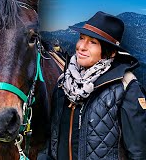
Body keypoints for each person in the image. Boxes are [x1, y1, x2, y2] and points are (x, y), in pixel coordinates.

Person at [47, 11, 146, 160]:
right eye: (81, 38)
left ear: (111, 53)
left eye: (93, 42)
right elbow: (52, 141)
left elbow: (138, 152)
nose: (81, 47)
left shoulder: (124, 87)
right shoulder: (63, 84)